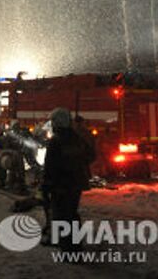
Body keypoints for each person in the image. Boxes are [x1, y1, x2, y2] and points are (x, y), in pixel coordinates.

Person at [42, 107, 93, 251]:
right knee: (71, 213)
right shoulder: (77, 139)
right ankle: (75, 245)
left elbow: (50, 167)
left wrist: (46, 186)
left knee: (61, 215)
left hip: (61, 185)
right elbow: (90, 155)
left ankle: (68, 248)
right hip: (76, 184)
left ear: (57, 123)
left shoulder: (55, 142)